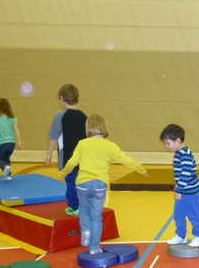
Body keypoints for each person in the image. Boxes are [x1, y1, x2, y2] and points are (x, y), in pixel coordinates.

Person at [60, 114, 147, 254]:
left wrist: (62, 173)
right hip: (99, 186)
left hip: (82, 184)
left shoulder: (82, 143)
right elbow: (126, 159)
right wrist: (141, 169)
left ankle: (85, 234)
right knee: (96, 216)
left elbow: (71, 162)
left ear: (87, 127)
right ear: (104, 127)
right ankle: (94, 247)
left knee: (84, 211)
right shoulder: (110, 146)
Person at [160, 124, 199, 247]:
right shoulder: (178, 153)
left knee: (194, 215)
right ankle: (181, 236)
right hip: (183, 190)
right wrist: (178, 187)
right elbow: (179, 174)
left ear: (178, 141)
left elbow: (186, 174)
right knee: (178, 215)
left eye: (168, 143)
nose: (166, 146)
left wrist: (179, 190)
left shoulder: (185, 154)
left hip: (191, 192)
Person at [47, 84, 87, 216]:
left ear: (61, 98)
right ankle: (83, 204)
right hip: (82, 157)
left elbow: (54, 136)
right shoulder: (83, 116)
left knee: (70, 182)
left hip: (67, 157)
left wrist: (49, 154)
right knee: (80, 181)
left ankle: (75, 207)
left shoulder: (59, 115)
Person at [0, 98, 21, 180]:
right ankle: (8, 176)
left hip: (1, 143)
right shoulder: (12, 118)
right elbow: (16, 130)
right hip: (11, 143)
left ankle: (5, 167)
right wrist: (19, 141)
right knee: (6, 159)